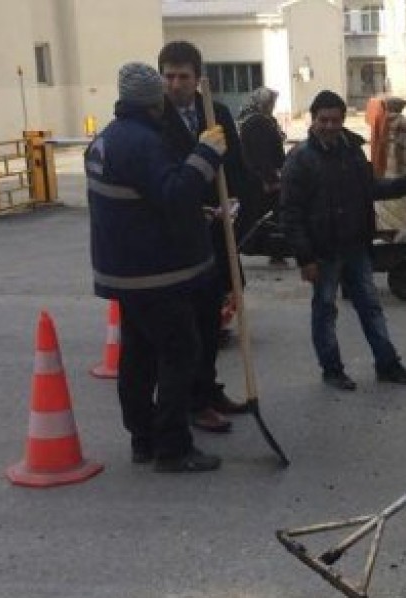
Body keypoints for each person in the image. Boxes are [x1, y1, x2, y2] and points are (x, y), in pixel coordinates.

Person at [86, 61, 228, 472]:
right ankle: (172, 447)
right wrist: (205, 154)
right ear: (154, 103)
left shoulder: (106, 140)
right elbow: (175, 193)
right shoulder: (142, 143)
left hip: (123, 270)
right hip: (153, 273)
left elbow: (141, 202)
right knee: (180, 350)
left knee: (139, 355)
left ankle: (143, 438)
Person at [279, 89, 406, 391]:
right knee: (325, 311)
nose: (330, 126)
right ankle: (332, 370)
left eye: (335, 120)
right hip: (323, 251)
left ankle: (388, 365)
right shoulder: (300, 159)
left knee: (371, 307)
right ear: (313, 119)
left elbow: (371, 188)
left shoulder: (353, 152)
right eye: (324, 120)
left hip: (356, 246)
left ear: (344, 120)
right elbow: (290, 214)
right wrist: (305, 258)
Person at [157, 40, 251, 434]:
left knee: (213, 320)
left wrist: (236, 202)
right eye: (169, 76)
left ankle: (210, 390)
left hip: (218, 233)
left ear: (198, 80)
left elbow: (236, 167)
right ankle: (193, 403)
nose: (176, 84)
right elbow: (162, 180)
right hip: (179, 237)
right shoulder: (157, 119)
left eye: (183, 77)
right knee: (189, 327)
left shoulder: (218, 113)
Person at [236, 86, 289, 267]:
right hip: (260, 179)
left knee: (259, 216)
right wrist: (270, 180)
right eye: (271, 102)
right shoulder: (258, 122)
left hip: (257, 177)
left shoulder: (255, 120)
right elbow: (261, 154)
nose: (273, 106)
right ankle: (269, 252)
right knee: (266, 217)